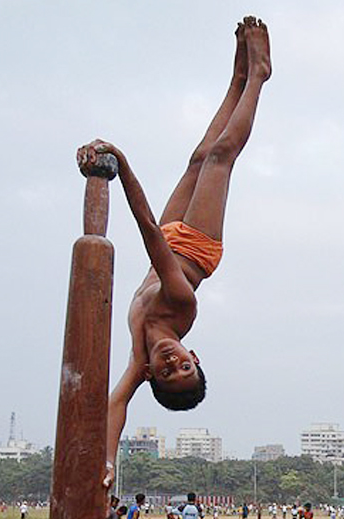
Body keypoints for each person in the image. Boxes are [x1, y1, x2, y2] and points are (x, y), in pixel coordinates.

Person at [97, 17, 272, 486]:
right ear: (194, 354)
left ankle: (236, 79)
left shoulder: (139, 357)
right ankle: (258, 77)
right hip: (196, 246)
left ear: (152, 374)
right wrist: (125, 168)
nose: (173, 360)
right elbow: (149, 235)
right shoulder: (179, 305)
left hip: (169, 238)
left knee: (198, 157)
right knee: (220, 158)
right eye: (185, 364)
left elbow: (115, 403)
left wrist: (108, 462)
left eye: (168, 369)